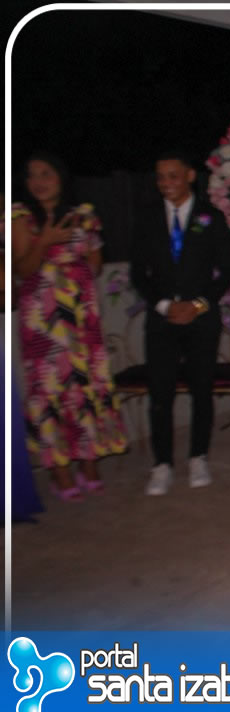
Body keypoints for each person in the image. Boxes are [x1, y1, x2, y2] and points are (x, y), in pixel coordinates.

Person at [10, 152, 127, 501]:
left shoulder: (84, 214)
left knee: (85, 384)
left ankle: (89, 462)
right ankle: (59, 469)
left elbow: (96, 263)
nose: (39, 181)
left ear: (61, 177)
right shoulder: (19, 216)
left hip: (80, 315)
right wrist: (45, 242)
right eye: (32, 175)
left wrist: (82, 266)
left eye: (46, 173)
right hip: (43, 321)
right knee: (50, 389)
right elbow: (21, 270)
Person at [130, 151, 230, 496]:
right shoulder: (147, 218)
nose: (166, 183)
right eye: (161, 177)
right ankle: (162, 464)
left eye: (173, 176)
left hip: (201, 318)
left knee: (201, 389)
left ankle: (198, 457)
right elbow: (138, 274)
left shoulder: (210, 217)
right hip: (162, 320)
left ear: (190, 176)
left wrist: (198, 305)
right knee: (160, 392)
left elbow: (227, 273)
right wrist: (164, 305)